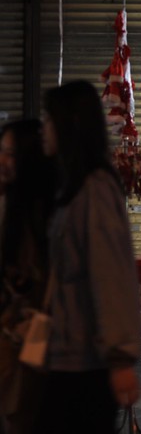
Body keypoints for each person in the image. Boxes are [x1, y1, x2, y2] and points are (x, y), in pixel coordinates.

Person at [32, 80, 141, 434]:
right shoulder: (71, 186)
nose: (44, 129)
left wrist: (120, 359)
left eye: (49, 119)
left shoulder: (95, 188)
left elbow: (111, 276)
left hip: (87, 365)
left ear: (70, 125)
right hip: (63, 355)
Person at [0, 119, 54, 434]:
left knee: (22, 413)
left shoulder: (39, 216)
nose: (3, 161)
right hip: (16, 338)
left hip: (24, 339)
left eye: (11, 154)